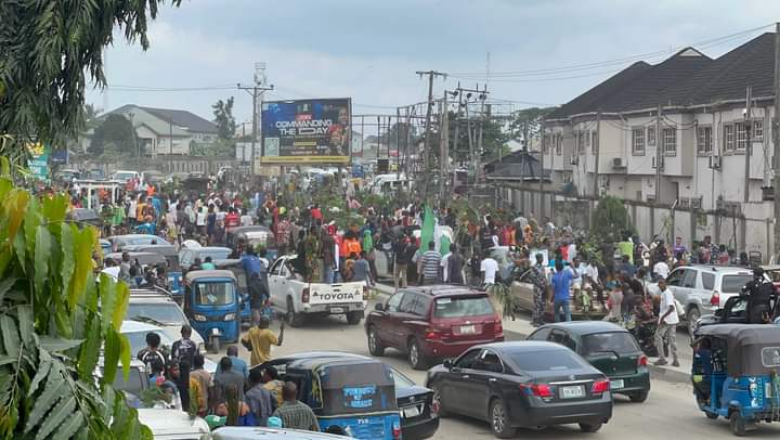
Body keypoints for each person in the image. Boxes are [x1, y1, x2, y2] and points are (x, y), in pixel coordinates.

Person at [171, 325, 198, 409]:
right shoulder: (193, 345)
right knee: (190, 393)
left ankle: (184, 408)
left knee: (181, 393)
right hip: (190, 373)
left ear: (181, 333)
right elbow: (196, 359)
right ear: (190, 333)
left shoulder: (176, 344)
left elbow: (173, 359)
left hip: (179, 374)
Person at [654, 279, 679, 366]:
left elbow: (671, 307)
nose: (660, 286)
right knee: (672, 339)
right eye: (659, 284)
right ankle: (675, 360)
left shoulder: (667, 293)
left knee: (658, 335)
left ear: (665, 284)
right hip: (672, 320)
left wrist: (663, 318)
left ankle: (662, 358)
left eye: (662, 284)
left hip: (667, 320)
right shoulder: (666, 293)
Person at [529, 253, 549, 326]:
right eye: (541, 258)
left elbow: (544, 277)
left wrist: (546, 286)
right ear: (537, 259)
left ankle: (541, 319)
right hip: (538, 289)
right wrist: (541, 285)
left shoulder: (542, 267)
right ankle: (535, 321)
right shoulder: (534, 267)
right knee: (537, 304)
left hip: (543, 288)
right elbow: (533, 278)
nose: (542, 259)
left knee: (543, 304)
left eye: (542, 258)